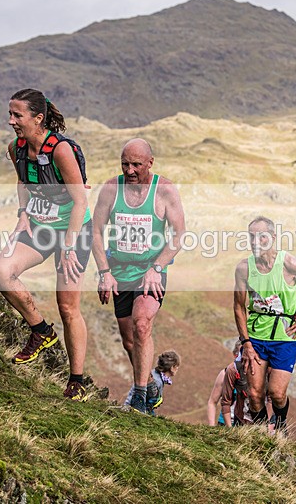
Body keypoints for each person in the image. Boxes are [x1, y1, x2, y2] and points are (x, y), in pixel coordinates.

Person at [0, 89, 91, 400]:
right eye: (10, 114)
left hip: (73, 228)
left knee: (68, 307)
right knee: (1, 271)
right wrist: (23, 214)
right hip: (39, 224)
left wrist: (70, 246)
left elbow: (80, 201)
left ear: (38, 118)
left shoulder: (61, 150)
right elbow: (23, 181)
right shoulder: (16, 148)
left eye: (17, 115)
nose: (11, 121)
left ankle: (77, 381)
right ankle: (40, 330)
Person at [92, 138, 185, 414]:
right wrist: (104, 273)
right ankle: (150, 385)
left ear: (150, 163)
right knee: (130, 340)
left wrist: (157, 268)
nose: (129, 170)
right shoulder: (111, 189)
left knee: (142, 324)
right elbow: (96, 231)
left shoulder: (165, 190)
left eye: (136, 164)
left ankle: (141, 400)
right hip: (118, 271)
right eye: (124, 164)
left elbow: (179, 235)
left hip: (150, 272)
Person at [233, 216, 296, 433]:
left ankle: (281, 423)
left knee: (276, 393)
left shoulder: (287, 263)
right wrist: (245, 342)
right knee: (255, 395)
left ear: (273, 237)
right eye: (251, 237)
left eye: (262, 236)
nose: (256, 241)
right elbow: (239, 306)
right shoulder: (243, 269)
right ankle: (261, 437)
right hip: (256, 338)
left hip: (285, 337)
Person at [124, 350, 181, 416]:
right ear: (172, 368)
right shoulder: (156, 381)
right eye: (177, 366)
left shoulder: (155, 375)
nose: (177, 369)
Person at [207, 340, 250, 426]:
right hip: (225, 423)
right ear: (235, 354)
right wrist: (211, 427)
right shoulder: (224, 374)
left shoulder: (254, 376)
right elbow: (212, 402)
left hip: (246, 425)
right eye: (240, 353)